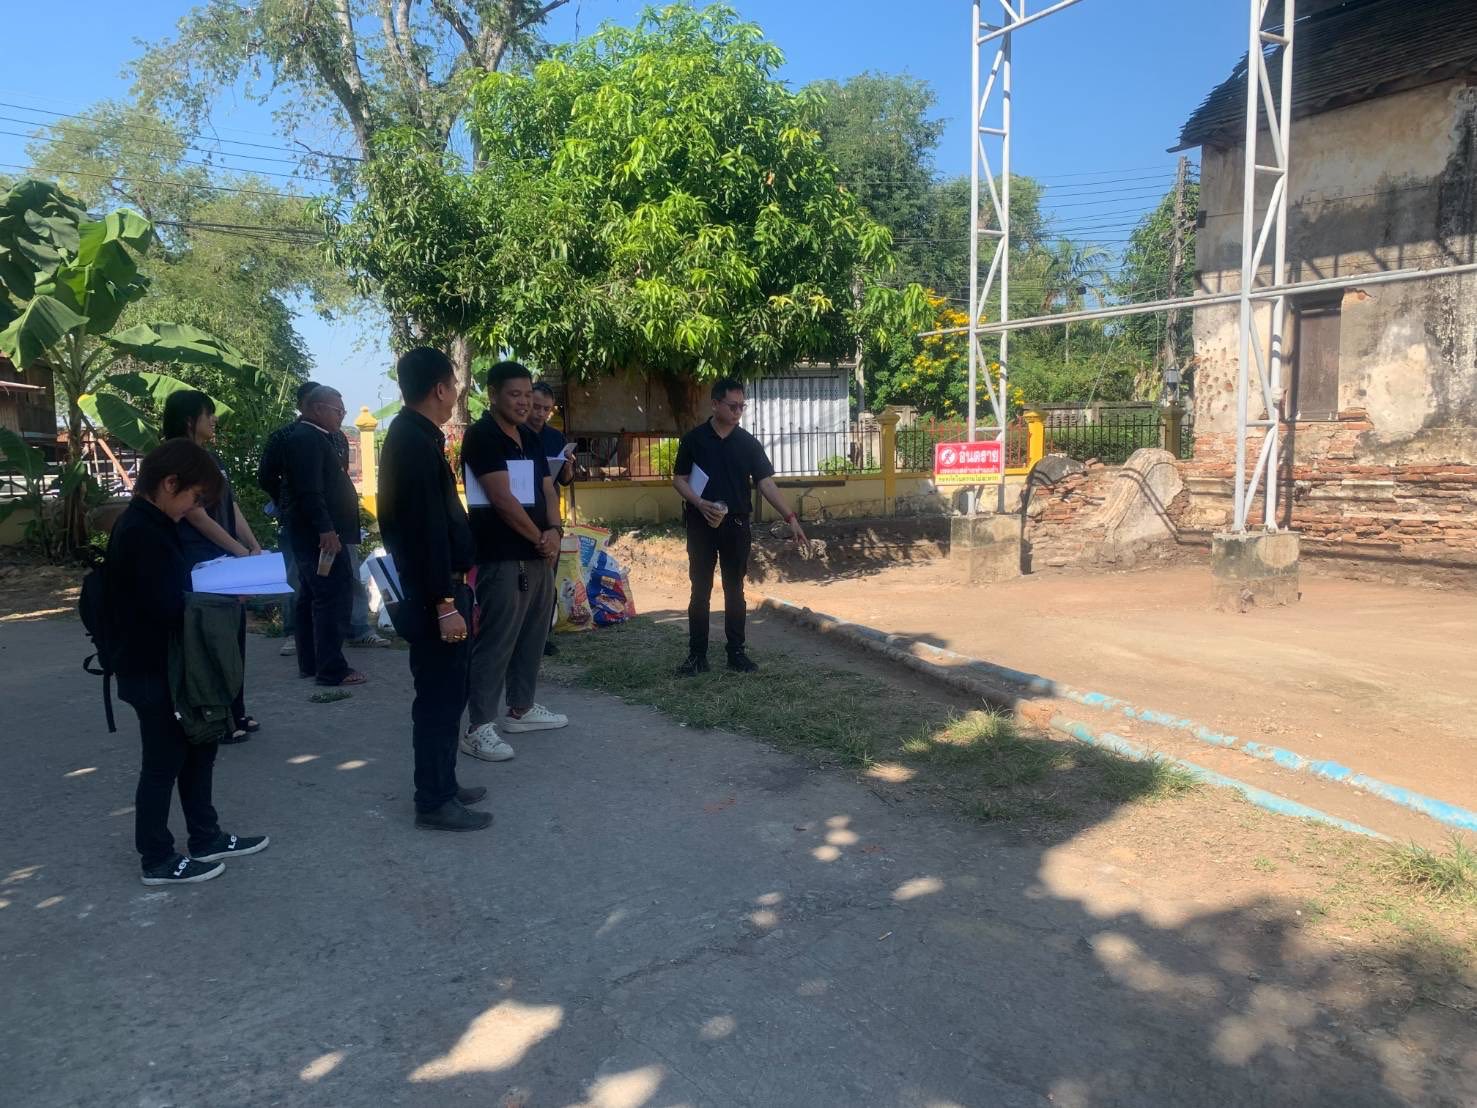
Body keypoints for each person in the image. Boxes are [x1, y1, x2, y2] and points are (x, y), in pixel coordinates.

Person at [104, 438, 269, 885]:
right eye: (194, 498)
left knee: (201, 745)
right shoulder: (140, 530)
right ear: (170, 483)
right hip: (151, 667)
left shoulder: (157, 523)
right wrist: (223, 596)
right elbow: (164, 606)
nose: (193, 509)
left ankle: (205, 836)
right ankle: (156, 858)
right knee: (164, 760)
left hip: (174, 664)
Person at [377, 347, 492, 832]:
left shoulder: (416, 436)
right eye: (454, 387)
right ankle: (434, 800)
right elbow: (423, 533)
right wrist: (445, 603)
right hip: (434, 594)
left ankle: (444, 782)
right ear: (440, 388)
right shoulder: (411, 442)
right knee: (439, 698)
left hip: (440, 588)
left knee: (450, 692)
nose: (456, 396)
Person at [460, 360, 569, 762]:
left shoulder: (530, 437)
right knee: (497, 640)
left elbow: (547, 487)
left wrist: (554, 530)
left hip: (540, 553)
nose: (523, 403)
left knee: (533, 634)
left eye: (527, 395)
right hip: (501, 555)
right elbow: (501, 497)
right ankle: (478, 727)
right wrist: (539, 537)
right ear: (492, 395)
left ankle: (521, 708)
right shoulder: (482, 436)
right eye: (514, 395)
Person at [672, 377, 807, 675]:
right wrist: (699, 503)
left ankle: (736, 653)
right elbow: (679, 480)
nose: (737, 412)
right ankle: (697, 656)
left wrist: (790, 517)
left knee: (735, 591)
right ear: (715, 404)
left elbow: (766, 483)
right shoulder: (694, 440)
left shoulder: (747, 443)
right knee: (700, 590)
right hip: (701, 524)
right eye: (732, 406)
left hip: (735, 525)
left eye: (741, 407)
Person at [162, 390, 262, 743]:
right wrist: (238, 550)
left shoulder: (210, 458)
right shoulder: (175, 458)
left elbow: (229, 505)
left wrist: (252, 545)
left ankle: (236, 710)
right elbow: (195, 514)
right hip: (199, 562)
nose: (214, 419)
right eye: (209, 414)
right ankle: (213, 718)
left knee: (232, 635)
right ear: (190, 420)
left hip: (227, 559)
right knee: (210, 642)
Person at [279, 386, 366, 686]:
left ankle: (312, 662)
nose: (342, 416)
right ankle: (331, 668)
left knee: (312, 595)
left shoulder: (318, 437)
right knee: (332, 597)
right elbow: (310, 491)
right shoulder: (306, 439)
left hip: (319, 531)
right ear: (317, 409)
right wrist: (325, 529)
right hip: (321, 535)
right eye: (337, 411)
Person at [258, 380, 321, 658]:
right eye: (312, 403)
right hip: (295, 519)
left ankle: (355, 629)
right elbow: (266, 476)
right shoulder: (283, 437)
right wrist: (284, 500)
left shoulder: (335, 437)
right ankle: (294, 633)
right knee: (296, 575)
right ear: (301, 405)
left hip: (331, 521)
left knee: (346, 575)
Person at [526, 381, 574, 657]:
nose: (540, 413)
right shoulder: (514, 434)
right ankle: (521, 634)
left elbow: (565, 480)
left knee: (548, 578)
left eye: (546, 409)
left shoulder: (555, 437)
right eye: (536, 407)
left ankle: (543, 636)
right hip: (522, 513)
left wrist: (568, 466)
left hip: (549, 515)